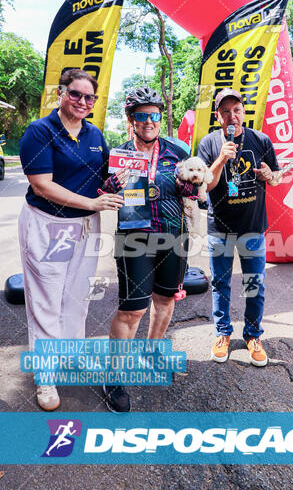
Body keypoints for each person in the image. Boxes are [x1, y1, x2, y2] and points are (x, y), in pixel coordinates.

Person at [19, 68, 124, 411]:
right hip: (49, 224)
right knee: (47, 300)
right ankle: (45, 376)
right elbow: (42, 185)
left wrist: (120, 180)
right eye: (75, 94)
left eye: (88, 97)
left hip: (86, 226)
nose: (82, 101)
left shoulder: (95, 134)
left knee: (78, 298)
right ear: (62, 94)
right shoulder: (40, 131)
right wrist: (92, 203)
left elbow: (106, 174)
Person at [103, 87, 194, 413]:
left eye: (154, 114)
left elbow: (194, 185)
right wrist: (112, 185)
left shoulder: (178, 149)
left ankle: (152, 351)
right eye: (141, 115)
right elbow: (101, 191)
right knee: (132, 310)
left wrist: (192, 186)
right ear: (131, 119)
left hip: (173, 236)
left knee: (165, 299)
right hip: (134, 237)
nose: (149, 121)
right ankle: (114, 376)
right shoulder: (117, 154)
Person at [197, 88, 283, 367]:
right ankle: (223, 334)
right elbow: (205, 185)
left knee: (254, 284)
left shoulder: (261, 140)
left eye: (237, 110)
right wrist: (222, 158)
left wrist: (271, 175)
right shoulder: (208, 143)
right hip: (219, 227)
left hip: (252, 227)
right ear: (218, 115)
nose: (232, 115)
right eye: (225, 111)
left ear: (244, 111)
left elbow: (277, 177)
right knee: (221, 284)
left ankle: (253, 335)